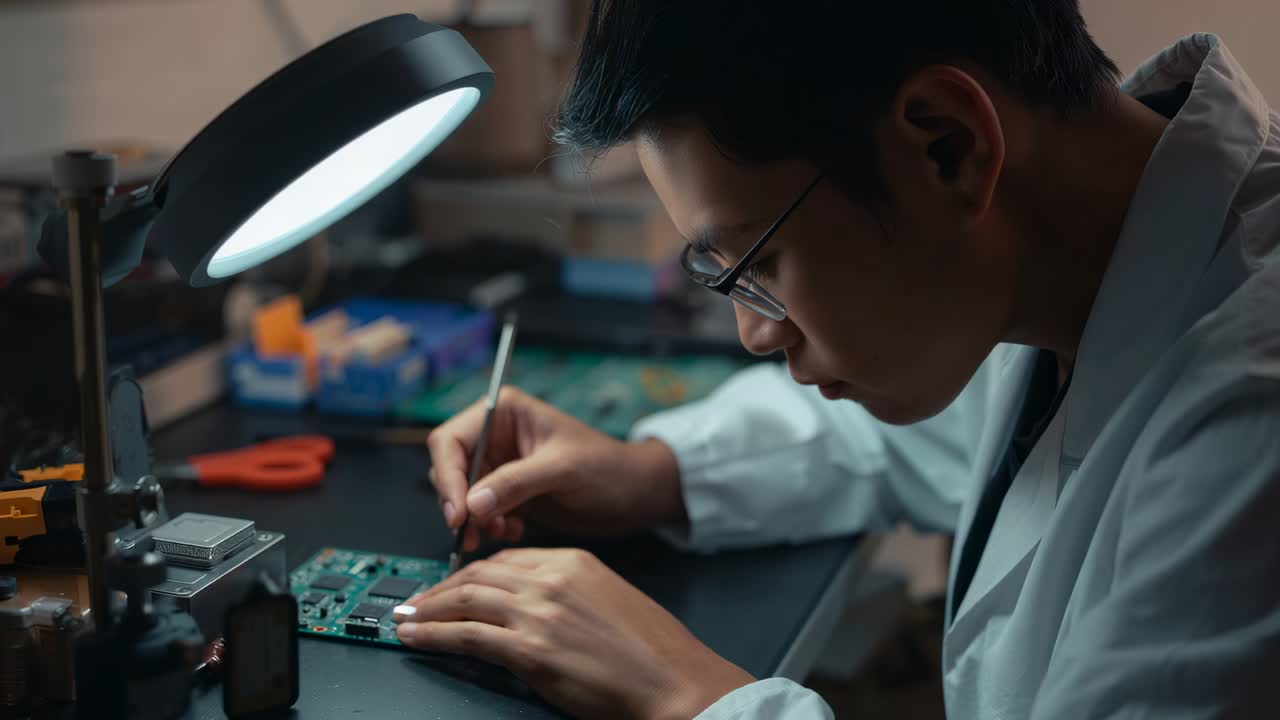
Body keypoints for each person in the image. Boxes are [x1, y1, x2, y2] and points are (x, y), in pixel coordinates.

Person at [396, 1, 1280, 717]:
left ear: (947, 144)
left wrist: (692, 696)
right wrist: (649, 471)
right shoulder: (1082, 270)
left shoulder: (1249, 430)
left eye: (755, 264)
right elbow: (939, 439)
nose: (755, 332)